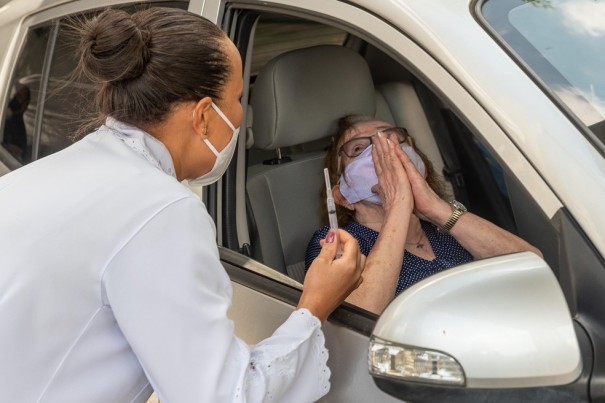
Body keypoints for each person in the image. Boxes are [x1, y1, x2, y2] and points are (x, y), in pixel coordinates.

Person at [0, 8, 364, 403]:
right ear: (205, 116)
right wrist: (314, 307)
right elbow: (224, 396)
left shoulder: (53, 172)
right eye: (239, 97)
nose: (243, 113)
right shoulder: (160, 210)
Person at [305, 114, 541, 315]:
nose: (382, 149)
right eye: (358, 149)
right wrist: (398, 204)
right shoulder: (335, 242)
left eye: (392, 138)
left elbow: (534, 269)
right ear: (343, 196)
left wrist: (436, 209)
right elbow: (356, 321)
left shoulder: (448, 226)